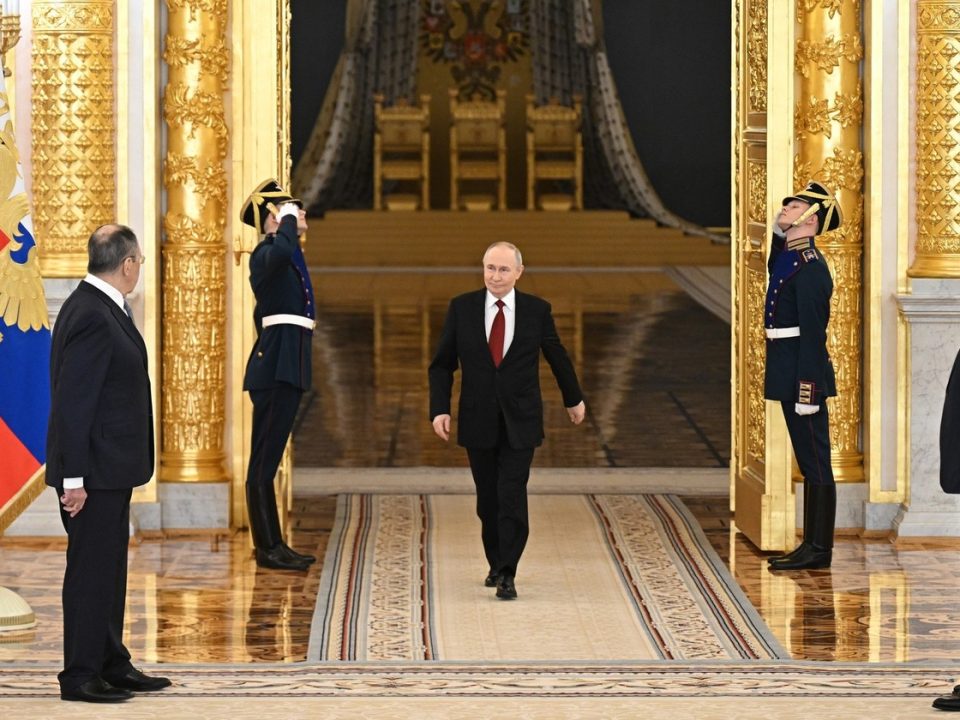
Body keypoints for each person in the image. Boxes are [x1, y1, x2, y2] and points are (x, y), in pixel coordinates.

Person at [46, 224, 171, 702]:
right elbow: (74, 403)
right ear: (127, 263)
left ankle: (111, 663)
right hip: (92, 475)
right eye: (139, 260)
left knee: (109, 569)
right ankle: (80, 675)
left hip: (109, 470)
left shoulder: (100, 306)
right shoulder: (92, 314)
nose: (139, 268)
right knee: (90, 573)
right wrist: (74, 479)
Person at [428, 241, 586, 599]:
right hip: (477, 418)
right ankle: (496, 561)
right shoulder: (462, 308)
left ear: (518, 272)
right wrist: (440, 408)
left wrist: (573, 398)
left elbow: (556, 355)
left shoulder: (536, 310)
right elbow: (442, 365)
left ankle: (507, 572)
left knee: (511, 494)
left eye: (502, 269)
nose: (495, 276)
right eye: (490, 268)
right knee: (488, 500)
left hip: (521, 419)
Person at [764, 181, 841, 571]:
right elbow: (774, 264)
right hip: (786, 366)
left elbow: (814, 334)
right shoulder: (792, 258)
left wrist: (808, 391)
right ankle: (810, 543)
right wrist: (780, 233)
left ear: (811, 219)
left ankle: (819, 548)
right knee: (808, 459)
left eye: (794, 207)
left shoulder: (811, 268)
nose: (786, 208)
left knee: (815, 462)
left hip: (801, 373)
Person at [239, 179, 316, 571]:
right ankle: (266, 547)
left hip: (287, 365)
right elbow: (282, 249)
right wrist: (285, 219)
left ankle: (274, 544)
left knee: (267, 463)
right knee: (262, 465)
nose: (300, 213)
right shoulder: (266, 253)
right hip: (275, 370)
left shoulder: (285, 254)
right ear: (274, 216)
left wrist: (287, 221)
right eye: (291, 208)